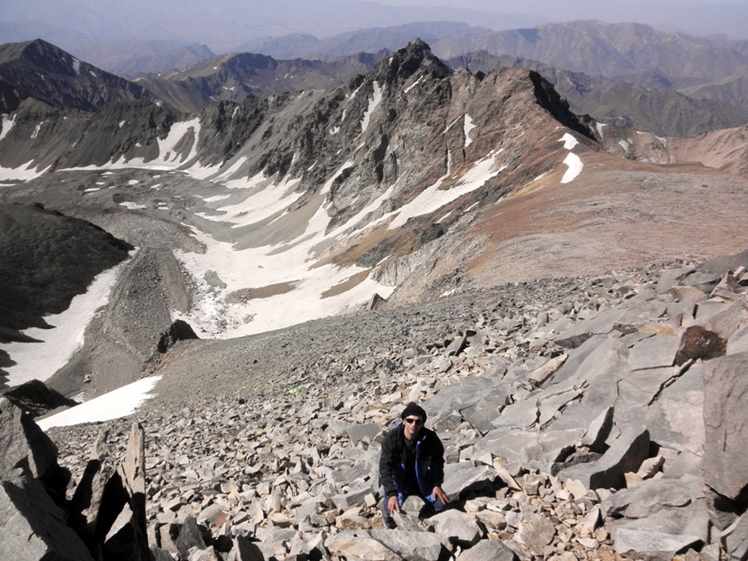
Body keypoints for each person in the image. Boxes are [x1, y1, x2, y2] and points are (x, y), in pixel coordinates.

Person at [379, 402, 449, 528]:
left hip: (420, 480)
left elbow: (437, 462)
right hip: (398, 482)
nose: (413, 425)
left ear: (423, 423)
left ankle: (427, 519)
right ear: (403, 421)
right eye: (410, 420)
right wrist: (392, 493)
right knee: (389, 513)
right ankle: (392, 529)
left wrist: (436, 485)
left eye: (418, 422)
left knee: (441, 504)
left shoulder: (430, 439)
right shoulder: (392, 440)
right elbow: (385, 468)